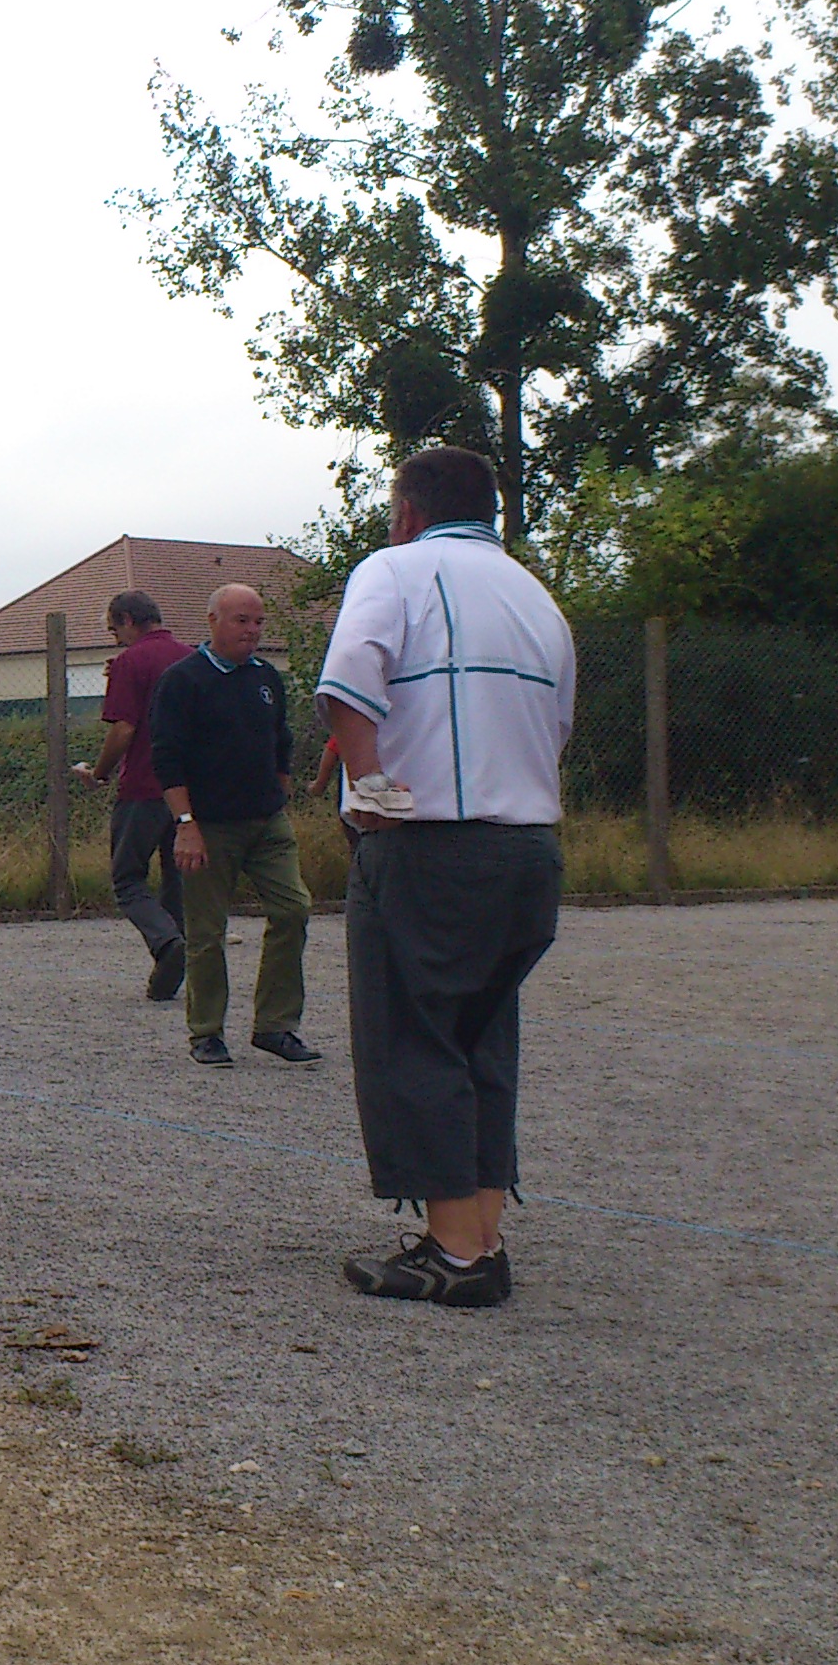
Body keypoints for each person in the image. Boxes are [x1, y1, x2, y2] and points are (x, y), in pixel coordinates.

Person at [314, 446, 575, 1309]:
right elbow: (558, 722)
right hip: (529, 846)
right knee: (482, 1036)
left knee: (410, 1035)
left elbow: (349, 681)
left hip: (429, 842)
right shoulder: (535, 597)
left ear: (408, 510)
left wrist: (373, 786)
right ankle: (477, 1230)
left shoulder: (394, 569)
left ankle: (458, 1260)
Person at [149, 584, 313, 1067]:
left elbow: (281, 739)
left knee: (294, 910)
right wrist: (185, 824)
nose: (253, 631)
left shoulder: (266, 678)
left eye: (259, 622)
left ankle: (275, 1026)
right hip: (208, 825)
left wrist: (280, 788)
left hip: (266, 822)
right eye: (242, 621)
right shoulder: (183, 681)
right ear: (213, 620)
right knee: (206, 931)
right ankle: (207, 1032)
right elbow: (167, 758)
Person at [86, 590, 193, 1006]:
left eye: (115, 629)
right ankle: (174, 968)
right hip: (188, 789)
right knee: (177, 878)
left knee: (128, 878)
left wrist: (99, 772)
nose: (115, 638)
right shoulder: (191, 657)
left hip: (144, 787)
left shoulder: (131, 662)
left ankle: (167, 944)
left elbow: (124, 730)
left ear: (129, 619)